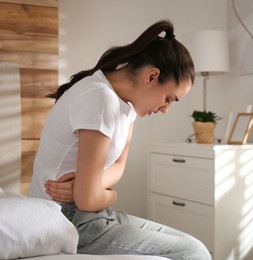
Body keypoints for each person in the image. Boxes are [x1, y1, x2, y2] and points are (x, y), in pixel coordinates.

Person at [29, 20, 211, 260]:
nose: (165, 108)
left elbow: (118, 167)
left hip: (93, 215)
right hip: (67, 220)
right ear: (152, 76)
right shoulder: (99, 98)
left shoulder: (126, 107)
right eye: (169, 98)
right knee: (193, 253)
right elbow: (89, 199)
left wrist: (88, 185)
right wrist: (107, 193)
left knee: (193, 244)